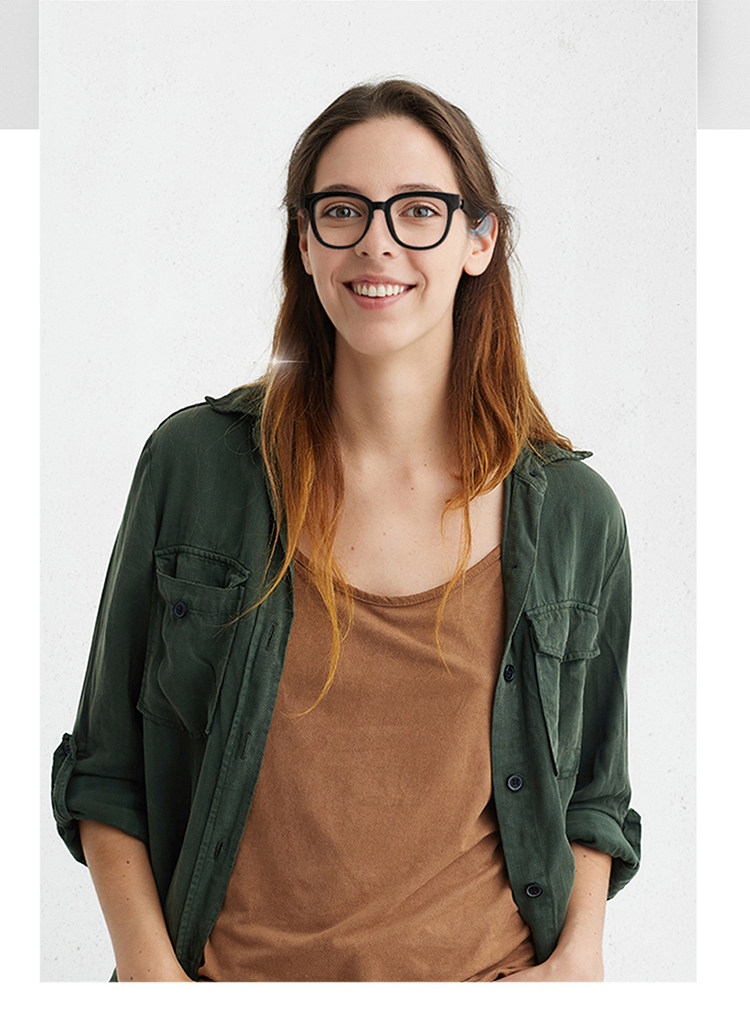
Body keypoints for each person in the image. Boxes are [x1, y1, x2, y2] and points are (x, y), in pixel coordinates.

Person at [51, 78, 641, 982]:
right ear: (304, 239)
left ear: (480, 240)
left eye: (419, 210)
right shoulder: (194, 467)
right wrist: (153, 982)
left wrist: (578, 962)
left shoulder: (575, 515)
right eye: (342, 210)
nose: (377, 241)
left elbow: (595, 792)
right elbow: (105, 764)